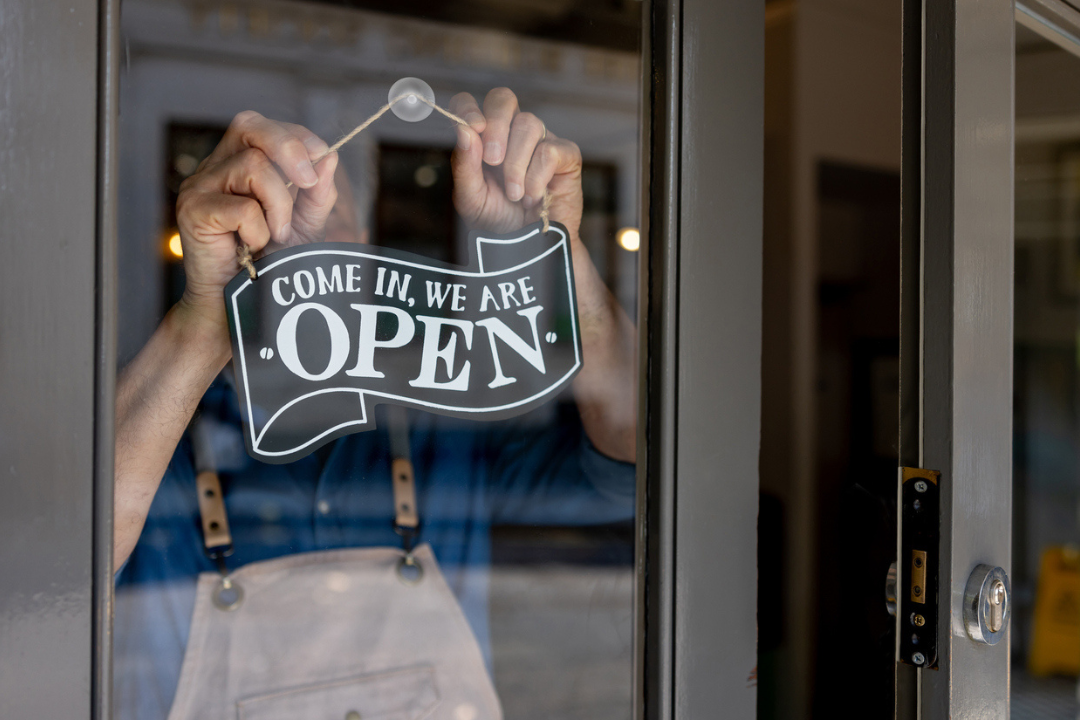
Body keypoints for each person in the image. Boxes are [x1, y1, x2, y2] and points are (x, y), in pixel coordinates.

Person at [112, 88, 637, 719]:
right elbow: (55, 570)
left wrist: (554, 255)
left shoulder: (442, 425)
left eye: (329, 217)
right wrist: (207, 318)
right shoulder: (157, 439)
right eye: (276, 208)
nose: (301, 232)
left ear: (361, 243)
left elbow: (638, 457)